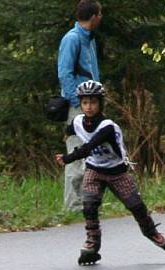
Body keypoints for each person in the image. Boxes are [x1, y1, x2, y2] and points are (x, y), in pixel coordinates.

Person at [54, 80, 165, 265]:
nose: (89, 107)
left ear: (101, 104)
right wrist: (55, 110)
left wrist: (67, 158)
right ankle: (92, 243)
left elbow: (88, 147)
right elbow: (69, 129)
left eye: (93, 102)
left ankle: (151, 233)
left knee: (135, 206)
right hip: (94, 170)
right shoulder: (78, 120)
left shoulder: (107, 126)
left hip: (117, 172)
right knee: (89, 206)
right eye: (84, 103)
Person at [58, 0, 102, 212]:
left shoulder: (90, 40)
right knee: (75, 153)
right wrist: (78, 103)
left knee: (91, 153)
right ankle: (72, 206)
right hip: (77, 107)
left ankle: (87, 202)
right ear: (93, 17)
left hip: (91, 105)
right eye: (100, 14)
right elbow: (64, 73)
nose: (101, 18)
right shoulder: (72, 39)